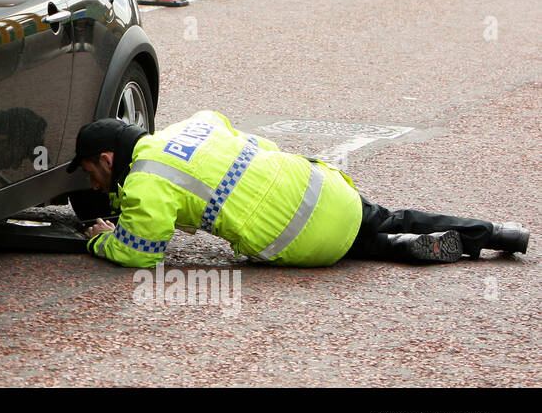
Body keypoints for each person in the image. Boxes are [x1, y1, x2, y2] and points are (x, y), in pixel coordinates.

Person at [67, 112, 529, 268]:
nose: (93, 184)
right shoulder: (195, 124)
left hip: (300, 237)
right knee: (386, 216)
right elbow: (255, 144)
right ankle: (496, 232)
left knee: (352, 245)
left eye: (91, 173)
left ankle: (405, 249)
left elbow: (141, 252)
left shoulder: (146, 182)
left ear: (109, 160)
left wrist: (100, 237)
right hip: (324, 186)